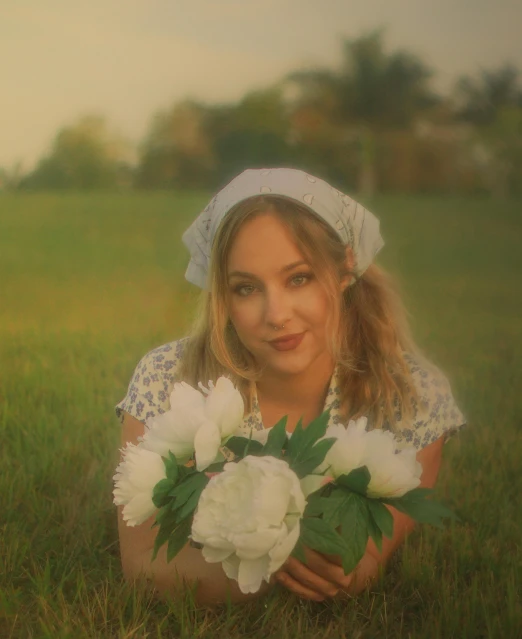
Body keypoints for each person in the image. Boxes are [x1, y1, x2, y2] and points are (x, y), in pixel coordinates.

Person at [115, 167, 467, 606]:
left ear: (344, 269)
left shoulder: (410, 394)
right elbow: (145, 566)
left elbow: (360, 564)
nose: (276, 313)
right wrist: (270, 564)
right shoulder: (168, 379)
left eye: (298, 278)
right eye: (245, 288)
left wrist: (352, 570)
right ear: (221, 297)